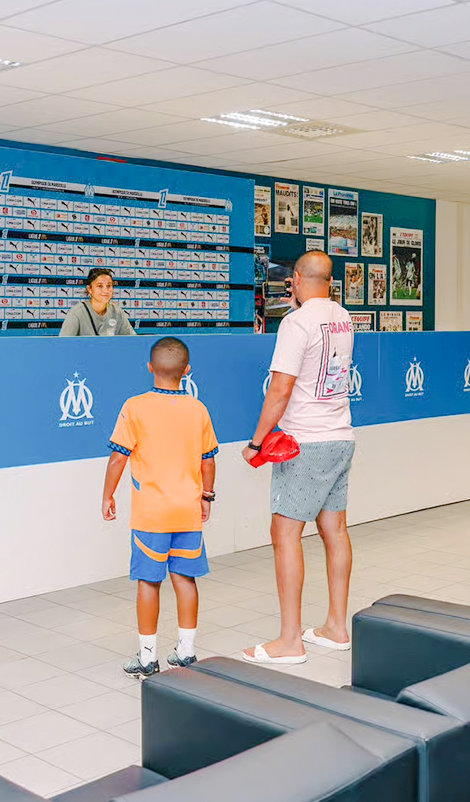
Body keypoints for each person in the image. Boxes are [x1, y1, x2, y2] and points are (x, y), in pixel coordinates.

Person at [240, 251, 355, 665]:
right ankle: (336, 627)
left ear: (299, 280)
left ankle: (290, 640)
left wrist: (256, 442)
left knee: (284, 534)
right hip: (341, 435)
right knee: (334, 529)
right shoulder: (343, 317)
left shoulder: (297, 322)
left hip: (305, 442)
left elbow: (281, 389)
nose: (289, 286)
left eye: (291, 281)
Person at [102, 337, 219, 678]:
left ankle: (147, 658)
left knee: (148, 582)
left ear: (150, 367)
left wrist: (108, 495)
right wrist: (206, 497)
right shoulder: (198, 409)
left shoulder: (135, 407)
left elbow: (118, 458)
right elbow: (208, 460)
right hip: (187, 511)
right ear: (187, 370)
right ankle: (186, 651)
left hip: (151, 515)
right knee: (185, 578)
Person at [59, 267, 135, 336]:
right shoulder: (77, 313)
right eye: (100, 286)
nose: (105, 290)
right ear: (89, 289)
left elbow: (133, 340)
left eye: (109, 286)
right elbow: (63, 344)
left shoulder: (117, 312)